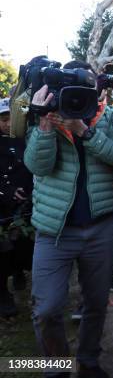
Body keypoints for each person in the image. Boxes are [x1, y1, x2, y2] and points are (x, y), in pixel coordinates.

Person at [24, 60, 113, 378]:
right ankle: (56, 367)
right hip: (54, 232)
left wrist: (84, 131)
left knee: (96, 303)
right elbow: (37, 166)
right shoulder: (44, 115)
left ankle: (89, 360)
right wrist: (45, 125)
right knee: (46, 309)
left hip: (100, 227)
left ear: (94, 89)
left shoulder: (106, 117)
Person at [0, 98, 34, 318]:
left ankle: (19, 270)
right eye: (3, 119)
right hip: (2, 209)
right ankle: (3, 294)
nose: (7, 123)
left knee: (23, 245)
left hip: (26, 206)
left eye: (10, 118)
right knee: (2, 251)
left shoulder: (26, 140)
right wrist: (7, 190)